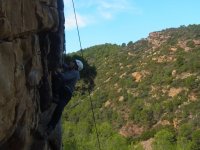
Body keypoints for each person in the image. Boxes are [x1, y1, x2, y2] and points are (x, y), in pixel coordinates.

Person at [45, 59, 83, 136]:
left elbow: (64, 77)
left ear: (75, 66)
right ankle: (55, 96)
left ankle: (51, 127)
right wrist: (59, 63)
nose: (71, 62)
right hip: (63, 91)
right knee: (57, 78)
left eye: (73, 62)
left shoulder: (75, 73)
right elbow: (63, 64)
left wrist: (56, 72)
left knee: (59, 109)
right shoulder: (70, 68)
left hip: (66, 94)